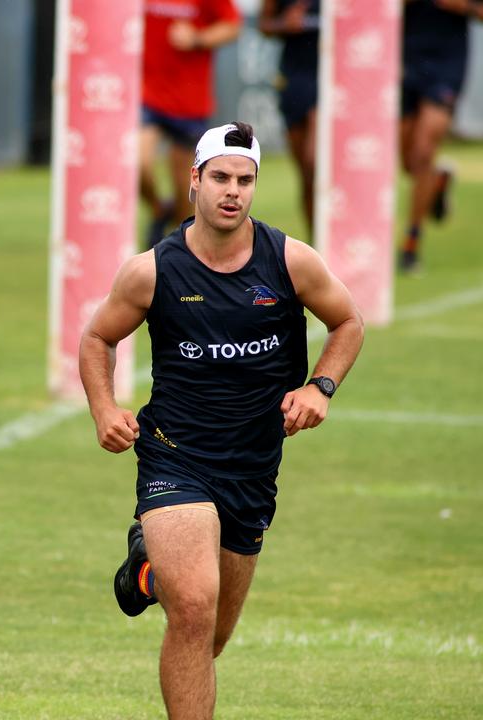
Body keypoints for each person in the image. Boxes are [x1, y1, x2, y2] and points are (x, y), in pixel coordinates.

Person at [79, 123, 364, 719]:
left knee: (210, 638)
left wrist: (321, 386)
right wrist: (105, 409)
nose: (233, 191)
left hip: (254, 468)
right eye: (221, 178)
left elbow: (348, 323)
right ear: (195, 182)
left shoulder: (289, 260)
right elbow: (97, 337)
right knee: (195, 608)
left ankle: (148, 571)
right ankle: (167, 576)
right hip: (175, 456)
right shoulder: (153, 270)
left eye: (245, 180)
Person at [399, 0, 483, 273]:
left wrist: (464, 7)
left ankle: (411, 243)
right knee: (409, 163)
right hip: (406, 59)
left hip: (447, 63)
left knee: (422, 153)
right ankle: (439, 180)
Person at [140, 0, 242, 248]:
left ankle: (179, 254)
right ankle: (158, 209)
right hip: (146, 94)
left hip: (189, 100)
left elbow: (232, 26)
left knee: (184, 188)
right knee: (137, 164)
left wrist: (197, 38)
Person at [259, 0, 319, 236]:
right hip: (294, 78)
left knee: (315, 161)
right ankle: (316, 239)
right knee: (305, 172)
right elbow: (264, 25)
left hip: (331, 76)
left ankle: (328, 236)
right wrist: (284, 24)